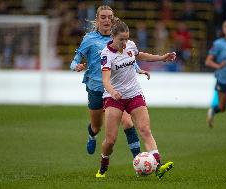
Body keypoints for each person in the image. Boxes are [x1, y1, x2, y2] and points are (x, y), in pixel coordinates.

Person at [95, 19, 176, 178]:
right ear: (113, 37)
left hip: (134, 93)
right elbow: (105, 80)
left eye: (126, 38)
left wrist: (161, 57)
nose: (125, 42)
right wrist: (112, 91)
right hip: (114, 98)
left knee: (145, 129)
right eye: (121, 39)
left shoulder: (130, 45)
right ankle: (104, 164)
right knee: (110, 141)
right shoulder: (106, 54)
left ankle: (158, 166)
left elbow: (140, 56)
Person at [70, 5, 147, 157]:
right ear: (97, 19)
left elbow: (128, 56)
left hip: (115, 90)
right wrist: (76, 66)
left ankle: (138, 160)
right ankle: (92, 135)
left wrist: (138, 69)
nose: (106, 20)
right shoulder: (89, 39)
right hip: (96, 89)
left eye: (109, 17)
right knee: (96, 126)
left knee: (128, 123)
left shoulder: (118, 38)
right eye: (103, 17)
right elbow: (75, 60)